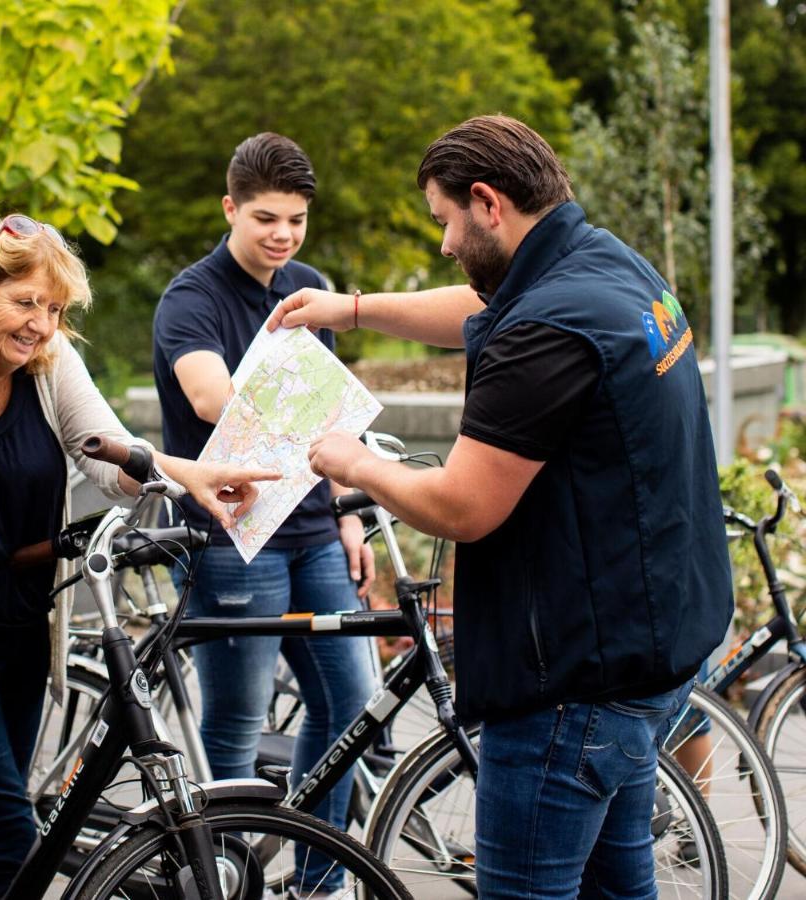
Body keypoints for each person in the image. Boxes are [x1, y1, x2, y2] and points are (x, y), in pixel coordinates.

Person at [267, 115, 733, 896]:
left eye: (445, 221)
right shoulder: (608, 267)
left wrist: (350, 459)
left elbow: (461, 505)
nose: (444, 243)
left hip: (572, 690)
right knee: (619, 889)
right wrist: (347, 310)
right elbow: (481, 307)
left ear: (487, 203)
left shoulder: (547, 328)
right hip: (652, 655)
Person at [0, 213, 278, 899]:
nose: (41, 324)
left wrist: (188, 477)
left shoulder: (49, 367)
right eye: (25, 302)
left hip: (21, 636)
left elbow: (111, 457)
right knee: (6, 828)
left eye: (54, 309)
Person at [151, 132, 378, 892]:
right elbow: (212, 400)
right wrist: (307, 394)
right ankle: (227, 879)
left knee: (348, 705)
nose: (283, 236)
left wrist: (349, 510)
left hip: (313, 530)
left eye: (296, 220)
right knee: (238, 727)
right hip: (232, 538)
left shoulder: (306, 284)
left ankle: (318, 879)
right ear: (230, 209)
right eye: (266, 219)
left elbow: (336, 420)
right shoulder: (193, 297)